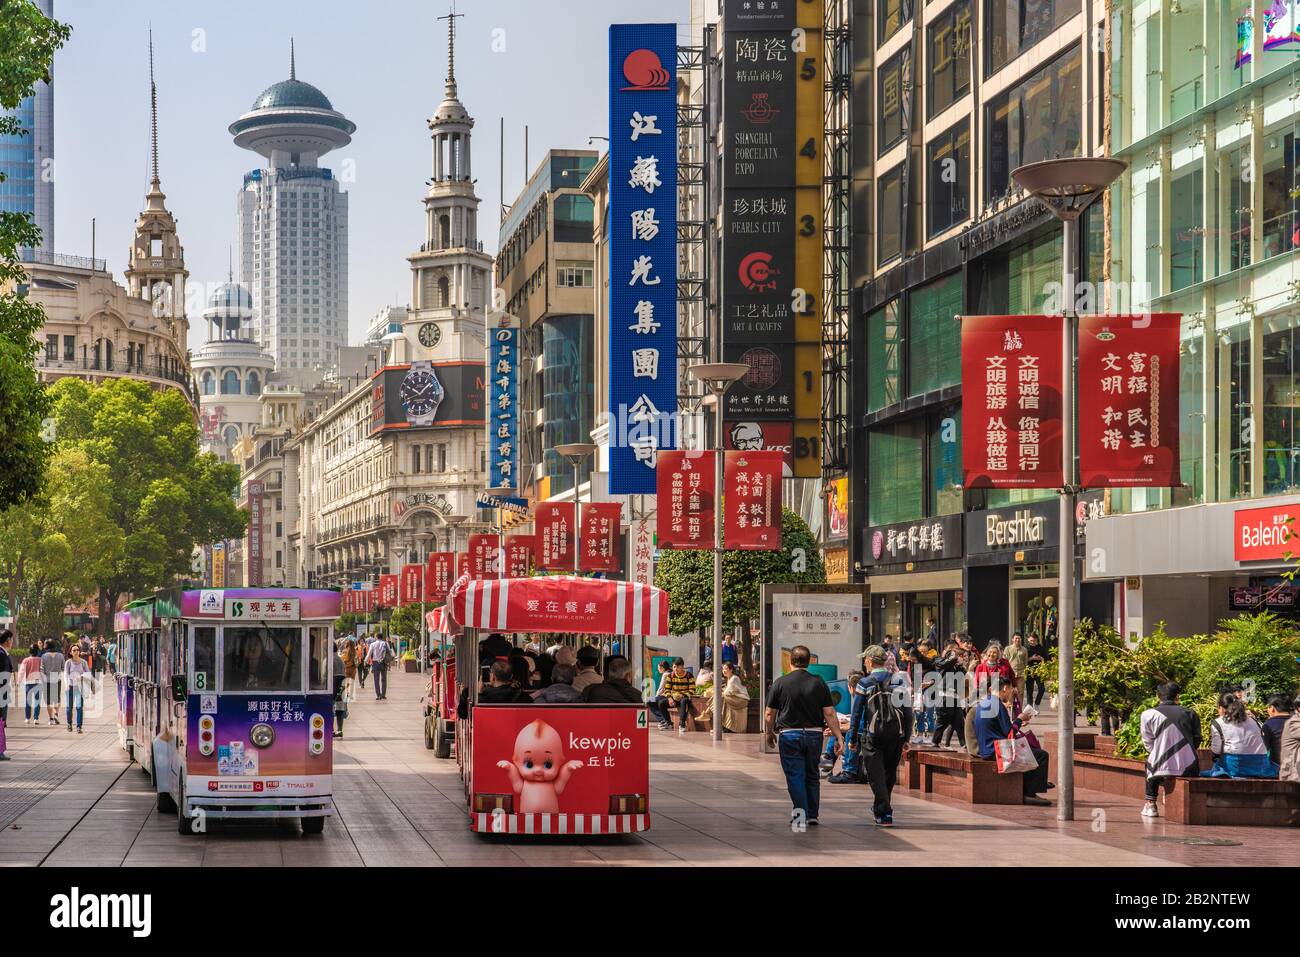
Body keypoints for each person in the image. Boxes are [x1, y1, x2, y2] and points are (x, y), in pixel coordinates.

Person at [765, 645, 842, 829]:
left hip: (789, 735)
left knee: (795, 776)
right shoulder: (819, 682)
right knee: (812, 775)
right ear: (809, 662)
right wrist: (839, 736)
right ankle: (813, 815)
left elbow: (769, 713)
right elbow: (830, 713)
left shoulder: (780, 683)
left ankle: (800, 815)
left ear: (790, 661)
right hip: (814, 734)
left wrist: (769, 732)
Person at [849, 645, 912, 825]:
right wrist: (907, 737)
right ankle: (881, 809)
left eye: (865, 660)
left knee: (875, 774)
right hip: (895, 735)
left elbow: (857, 713)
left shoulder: (864, 683)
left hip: (872, 735)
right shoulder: (898, 682)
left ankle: (884, 810)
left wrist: (852, 738)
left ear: (869, 661)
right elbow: (907, 711)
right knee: (889, 772)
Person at [972, 681, 1052, 805]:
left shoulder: (985, 703)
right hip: (997, 750)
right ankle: (1029, 793)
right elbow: (1009, 734)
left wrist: (1017, 722)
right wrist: (1020, 719)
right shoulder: (997, 705)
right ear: (1005, 688)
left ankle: (1034, 784)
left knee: (1031, 751)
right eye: (1010, 690)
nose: (1010, 694)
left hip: (986, 748)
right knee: (1041, 755)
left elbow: (1000, 728)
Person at [1138, 681, 1202, 818]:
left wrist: (1158, 752)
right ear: (1177, 696)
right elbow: (1197, 739)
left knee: (1151, 762)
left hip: (1158, 766)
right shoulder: (1190, 713)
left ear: (1158, 697)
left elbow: (1147, 741)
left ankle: (1151, 804)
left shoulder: (1147, 714)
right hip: (1189, 765)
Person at [1204, 692, 1276, 778]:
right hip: (1260, 766)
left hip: (1235, 766)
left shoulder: (1218, 722)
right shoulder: (1253, 720)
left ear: (1221, 708)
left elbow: (1216, 750)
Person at [931, 639, 967, 749]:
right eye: (953, 650)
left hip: (955, 697)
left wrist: (963, 666)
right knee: (943, 721)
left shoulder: (957, 666)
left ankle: (964, 744)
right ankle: (935, 742)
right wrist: (954, 658)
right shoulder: (939, 660)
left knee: (959, 722)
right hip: (944, 696)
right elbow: (944, 665)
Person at [657, 658, 695, 733]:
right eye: (674, 667)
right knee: (661, 703)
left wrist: (682, 695)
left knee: (684, 702)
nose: (676, 669)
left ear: (682, 667)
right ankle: (669, 723)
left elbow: (692, 690)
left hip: (684, 698)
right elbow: (667, 689)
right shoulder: (670, 676)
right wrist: (670, 698)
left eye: (678, 667)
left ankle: (682, 724)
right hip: (674, 698)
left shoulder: (689, 675)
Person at [63, 645, 90, 734]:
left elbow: (88, 673)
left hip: (79, 687)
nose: (76, 651)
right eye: (74, 650)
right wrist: (66, 685)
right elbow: (66, 674)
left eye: (78, 650)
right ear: (70, 652)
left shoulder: (83, 662)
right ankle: (69, 724)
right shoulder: (68, 662)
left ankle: (79, 726)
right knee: (69, 707)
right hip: (70, 687)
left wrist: (81, 676)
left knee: (79, 707)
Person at [1262, 694, 1293, 768]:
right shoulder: (1296, 722)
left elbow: (1264, 748)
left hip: (1278, 767)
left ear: (1272, 708)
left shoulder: (1268, 724)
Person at [41, 639, 65, 726]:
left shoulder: (44, 656)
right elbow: (63, 667)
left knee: (48, 700)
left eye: (44, 644)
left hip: (47, 679)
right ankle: (56, 715)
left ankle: (51, 719)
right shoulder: (61, 655)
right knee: (57, 698)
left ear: (47, 646)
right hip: (57, 678)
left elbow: (41, 669)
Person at [19, 645, 42, 726]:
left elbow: (21, 671)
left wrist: (18, 681)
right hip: (38, 682)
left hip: (28, 683)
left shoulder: (26, 660)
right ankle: (36, 718)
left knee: (28, 702)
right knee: (37, 701)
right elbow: (42, 670)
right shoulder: (40, 660)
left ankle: (27, 718)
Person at [647, 660, 672, 729]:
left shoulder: (665, 674)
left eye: (658, 668)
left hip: (666, 696)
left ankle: (663, 720)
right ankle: (664, 720)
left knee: (650, 701)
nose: (658, 670)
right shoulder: (671, 673)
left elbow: (661, 688)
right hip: (670, 695)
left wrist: (656, 696)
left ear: (662, 668)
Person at [333, 641, 350, 738]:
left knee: (330, 710)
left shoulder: (327, 659)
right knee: (340, 709)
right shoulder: (340, 659)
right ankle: (339, 730)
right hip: (342, 687)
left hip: (332, 687)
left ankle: (330, 730)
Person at [366, 631, 390, 701]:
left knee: (376, 680)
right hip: (384, 663)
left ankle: (378, 695)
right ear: (382, 637)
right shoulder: (385, 643)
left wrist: (365, 661)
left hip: (376, 663)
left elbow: (369, 653)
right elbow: (389, 652)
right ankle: (383, 695)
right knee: (384, 679)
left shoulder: (373, 644)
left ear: (376, 637)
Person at [1025, 635, 1047, 707]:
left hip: (1039, 670)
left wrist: (1041, 659)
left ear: (1037, 640)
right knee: (1029, 690)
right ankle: (1029, 706)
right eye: (1031, 640)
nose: (1032, 642)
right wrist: (1031, 658)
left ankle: (1037, 704)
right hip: (1029, 670)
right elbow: (1023, 661)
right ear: (1028, 640)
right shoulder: (1025, 648)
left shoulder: (1041, 648)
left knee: (1042, 689)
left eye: (1034, 640)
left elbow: (1046, 659)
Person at [1006, 634, 1029, 701]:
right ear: (1012, 639)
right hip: (1010, 674)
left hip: (1021, 674)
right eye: (1016, 638)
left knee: (1020, 693)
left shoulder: (1024, 650)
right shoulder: (1008, 649)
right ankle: (1009, 709)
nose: (1017, 640)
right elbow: (1005, 661)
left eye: (1019, 638)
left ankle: (1019, 710)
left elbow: (1026, 662)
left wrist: (1025, 674)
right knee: (1010, 692)